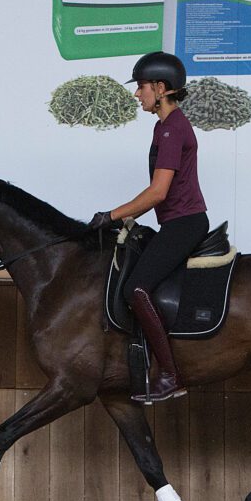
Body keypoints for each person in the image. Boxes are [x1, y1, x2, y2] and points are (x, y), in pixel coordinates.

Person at [88, 51, 209, 402]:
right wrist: (127, 216)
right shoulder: (164, 126)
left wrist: (111, 215)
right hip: (176, 220)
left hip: (184, 223)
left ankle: (170, 374)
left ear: (161, 87)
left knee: (137, 288)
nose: (136, 94)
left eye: (141, 87)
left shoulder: (173, 129)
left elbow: (158, 192)